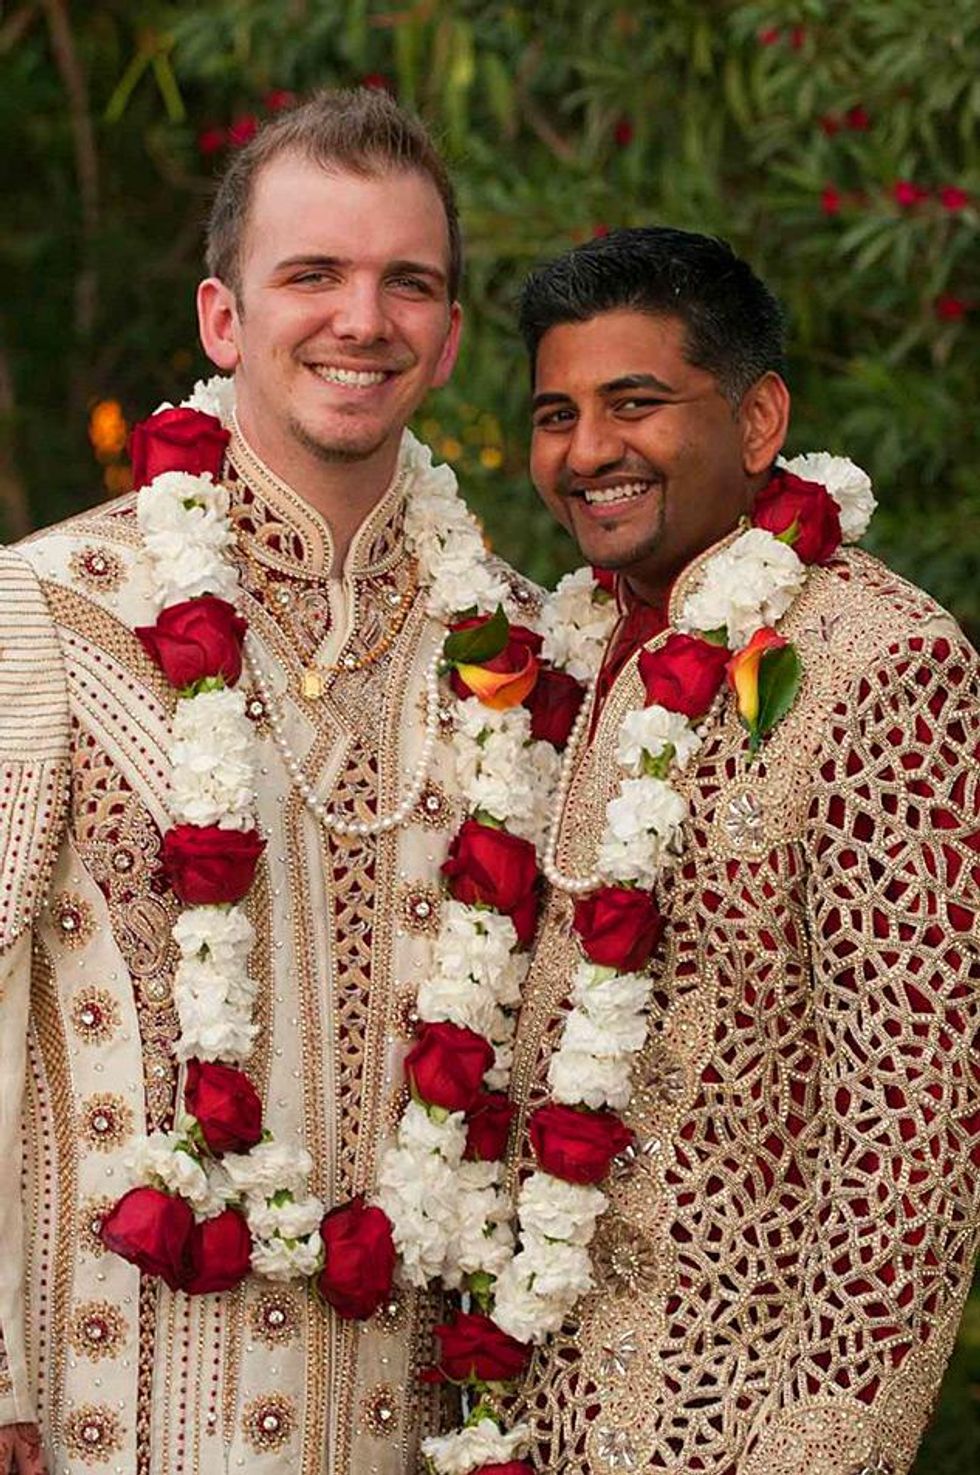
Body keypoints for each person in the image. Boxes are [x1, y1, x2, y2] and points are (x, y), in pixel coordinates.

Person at [0, 88, 541, 1474]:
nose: (362, 319)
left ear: (449, 337)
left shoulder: (522, 654)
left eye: (406, 282)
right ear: (223, 317)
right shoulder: (47, 613)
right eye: (313, 273)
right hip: (98, 1419)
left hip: (414, 1430)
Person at [500, 228, 980, 1474]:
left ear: (758, 417)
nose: (587, 450)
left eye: (635, 403)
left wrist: (822, 1445)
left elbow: (913, 1127)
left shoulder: (881, 664)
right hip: (517, 1407)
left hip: (728, 1417)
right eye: (556, 413)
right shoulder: (549, 656)